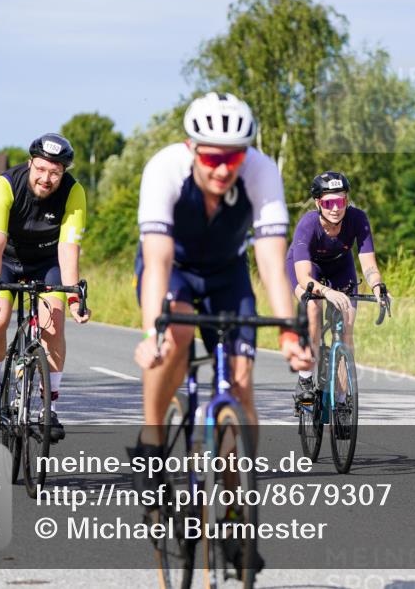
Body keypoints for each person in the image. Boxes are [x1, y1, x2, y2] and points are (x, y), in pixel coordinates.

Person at [132, 92, 312, 457]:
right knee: (175, 333)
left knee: (241, 385)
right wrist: (153, 331)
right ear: (191, 147)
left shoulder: (261, 171)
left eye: (234, 157)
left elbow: (272, 262)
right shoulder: (164, 168)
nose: (223, 169)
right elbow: (157, 261)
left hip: (228, 271)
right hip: (176, 269)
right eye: (212, 157)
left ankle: (235, 505)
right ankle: (150, 441)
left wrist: (289, 332)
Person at [0, 134, 90, 439]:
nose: (46, 178)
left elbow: (68, 249)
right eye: (40, 169)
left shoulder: (73, 192)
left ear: (63, 173)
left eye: (55, 173)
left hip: (47, 261)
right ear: (30, 164)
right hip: (7, 258)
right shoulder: (6, 185)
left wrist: (73, 299)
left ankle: (48, 408)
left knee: (53, 325)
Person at [287, 172, 389, 407]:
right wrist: (327, 293)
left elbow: (369, 264)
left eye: (340, 201)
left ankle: (342, 401)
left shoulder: (358, 219)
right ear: (317, 203)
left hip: (341, 269)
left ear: (347, 201)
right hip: (307, 269)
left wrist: (377, 287)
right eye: (328, 203)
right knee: (313, 308)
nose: (335, 209)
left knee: (347, 326)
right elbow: (303, 277)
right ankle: (305, 380)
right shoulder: (308, 224)